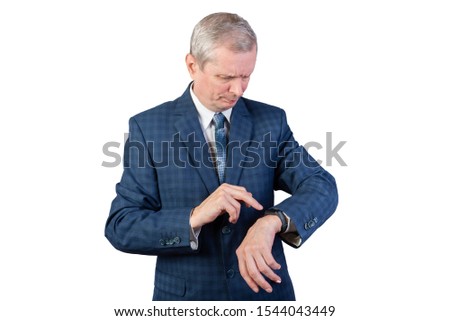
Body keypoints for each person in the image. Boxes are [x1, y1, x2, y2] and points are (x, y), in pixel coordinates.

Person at [105, 12, 338, 301]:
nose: (237, 90)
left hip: (265, 298)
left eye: (246, 76)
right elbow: (122, 225)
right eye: (225, 77)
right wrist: (193, 218)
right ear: (192, 65)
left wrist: (272, 221)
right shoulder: (148, 127)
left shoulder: (271, 121)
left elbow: (321, 185)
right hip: (187, 301)